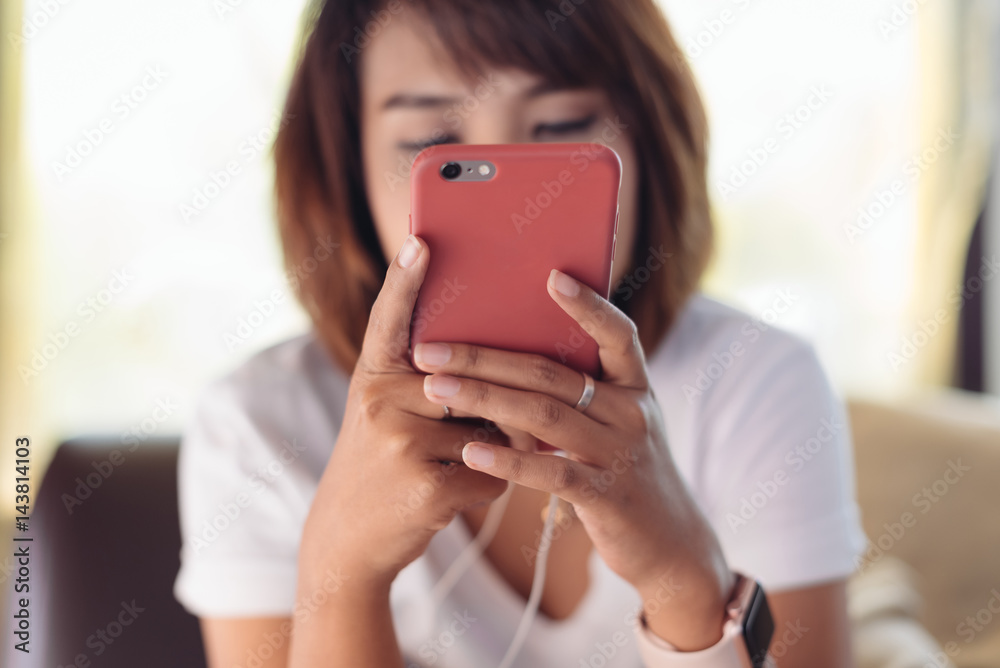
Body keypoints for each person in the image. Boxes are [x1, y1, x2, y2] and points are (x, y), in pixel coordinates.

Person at [173, 1, 866, 666]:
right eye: (431, 144)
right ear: (347, 172)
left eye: (562, 124)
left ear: (650, 142)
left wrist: (683, 580)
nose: (514, 198)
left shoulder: (756, 382)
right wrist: (341, 568)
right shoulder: (255, 425)